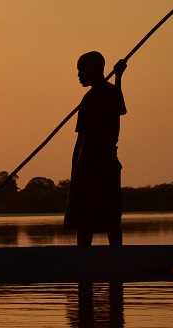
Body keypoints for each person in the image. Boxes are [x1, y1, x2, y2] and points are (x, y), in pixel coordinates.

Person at [64, 51, 127, 247]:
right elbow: (80, 138)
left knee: (110, 217)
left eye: (81, 70)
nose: (79, 75)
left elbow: (119, 108)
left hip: (101, 164)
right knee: (85, 218)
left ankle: (115, 259)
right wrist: (75, 168)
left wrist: (118, 76)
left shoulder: (104, 94)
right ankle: (84, 259)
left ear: (93, 70)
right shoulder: (89, 98)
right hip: (87, 165)